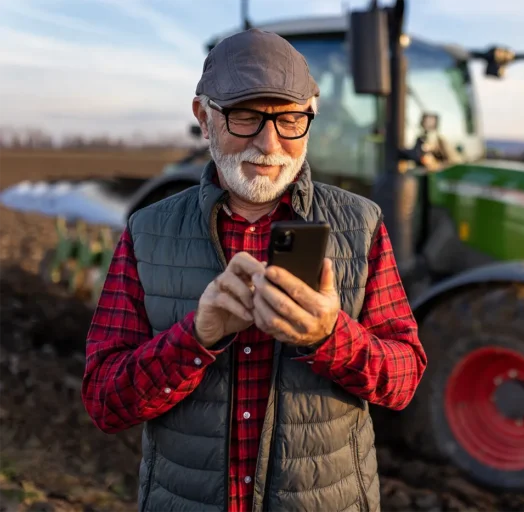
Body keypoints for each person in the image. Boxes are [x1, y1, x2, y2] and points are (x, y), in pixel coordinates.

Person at [81, 28, 427, 512]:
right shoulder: (148, 230)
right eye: (245, 116)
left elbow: (404, 379)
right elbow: (104, 401)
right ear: (204, 117)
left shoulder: (361, 225)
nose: (270, 143)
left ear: (311, 114)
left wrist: (329, 336)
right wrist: (195, 339)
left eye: (290, 120)